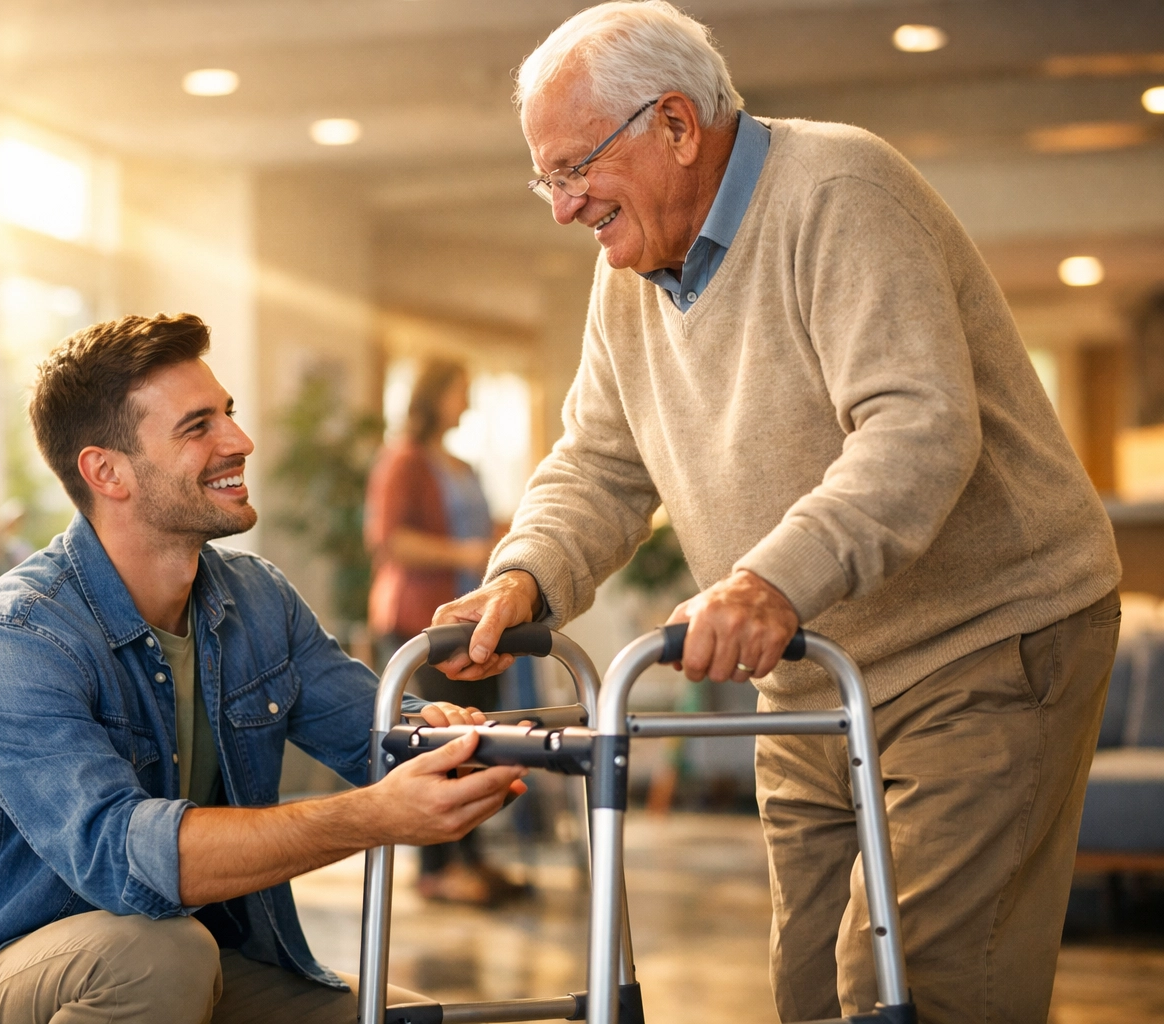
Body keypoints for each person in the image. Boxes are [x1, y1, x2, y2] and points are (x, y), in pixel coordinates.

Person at [433, 4, 1122, 1022]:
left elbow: (917, 429)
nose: (563, 207)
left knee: (920, 984)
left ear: (675, 124)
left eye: (575, 168)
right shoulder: (626, 277)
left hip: (982, 636)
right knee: (805, 984)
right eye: (549, 178)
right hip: (808, 659)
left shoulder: (840, 189)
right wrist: (524, 572)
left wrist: (768, 580)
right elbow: (598, 460)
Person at [0, 313, 528, 1024]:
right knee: (162, 956)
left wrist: (458, 743)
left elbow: (382, 739)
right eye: (198, 427)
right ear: (107, 472)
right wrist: (371, 818)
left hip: (190, 961)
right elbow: (122, 860)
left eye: (229, 415)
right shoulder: (13, 641)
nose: (239, 442)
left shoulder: (257, 599)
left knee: (405, 1019)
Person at [365, 357, 525, 905]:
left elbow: (481, 531)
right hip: (421, 624)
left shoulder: (461, 465)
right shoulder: (402, 462)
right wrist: (465, 550)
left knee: (479, 737)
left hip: (475, 624)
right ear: (433, 396)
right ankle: (436, 869)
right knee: (438, 741)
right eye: (459, 392)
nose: (467, 404)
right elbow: (391, 540)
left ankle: (473, 859)